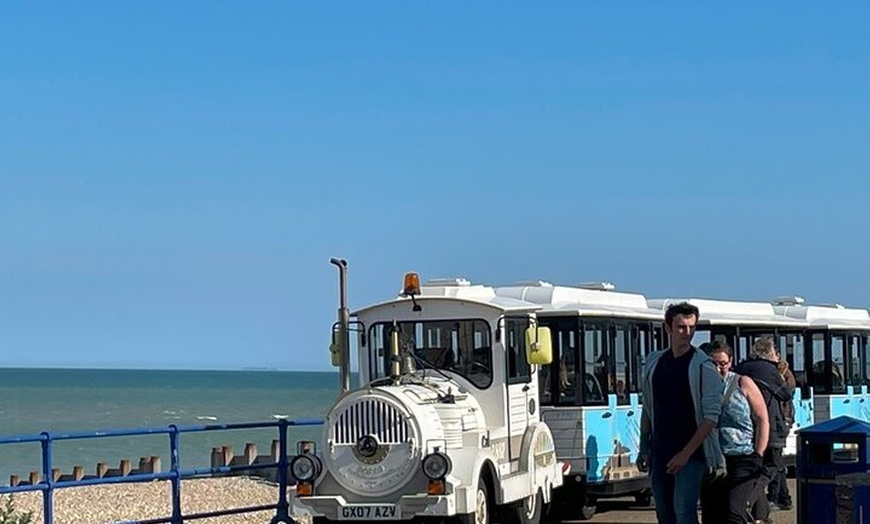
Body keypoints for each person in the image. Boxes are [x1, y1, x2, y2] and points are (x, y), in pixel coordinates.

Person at [639, 302, 725, 524]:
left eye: (692, 327)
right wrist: (643, 447)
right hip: (660, 450)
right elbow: (648, 408)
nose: (687, 333)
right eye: (681, 327)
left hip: (693, 454)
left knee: (684, 513)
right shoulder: (654, 363)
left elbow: (710, 418)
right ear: (667, 328)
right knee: (664, 512)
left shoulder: (704, 367)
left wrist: (686, 453)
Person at [700, 341, 770, 524]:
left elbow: (762, 419)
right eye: (713, 364)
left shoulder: (743, 382)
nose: (718, 368)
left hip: (742, 457)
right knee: (712, 514)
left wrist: (758, 454)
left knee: (734, 510)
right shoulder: (701, 386)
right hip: (712, 459)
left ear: (730, 361)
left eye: (722, 363)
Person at [733, 337, 795, 524]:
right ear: (770, 353)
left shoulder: (742, 367)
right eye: (776, 353)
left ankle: (760, 513)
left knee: (755, 465)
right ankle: (747, 500)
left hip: (746, 427)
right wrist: (785, 374)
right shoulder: (769, 370)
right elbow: (786, 393)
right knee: (772, 466)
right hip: (770, 426)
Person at [767, 357, 796, 511]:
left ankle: (774, 497)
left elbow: (786, 397)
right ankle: (784, 497)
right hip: (781, 423)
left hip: (778, 424)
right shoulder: (786, 378)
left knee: (775, 462)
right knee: (777, 462)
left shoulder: (780, 380)